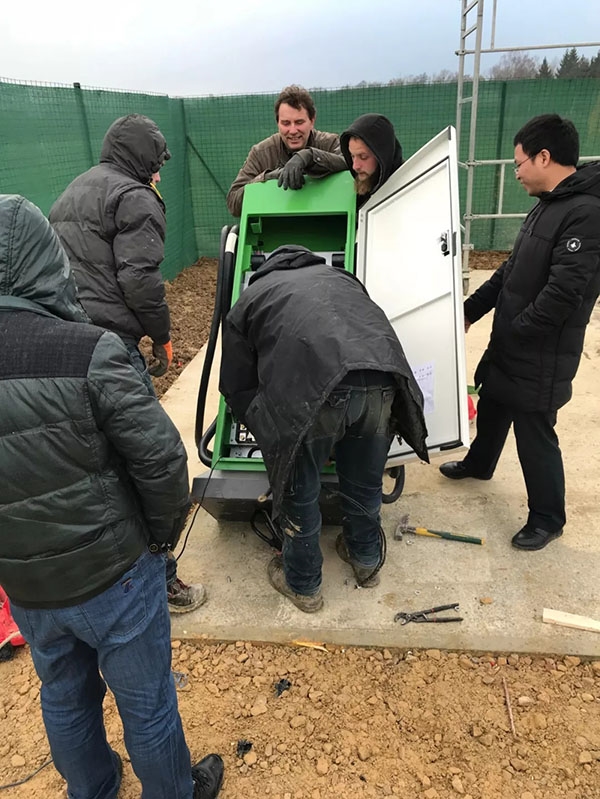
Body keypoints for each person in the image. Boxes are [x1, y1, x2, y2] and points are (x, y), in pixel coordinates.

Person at [0, 194, 224, 799]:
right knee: (147, 705)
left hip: (27, 586)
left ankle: (93, 789)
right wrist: (159, 540)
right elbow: (161, 460)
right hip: (113, 574)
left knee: (63, 696)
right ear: (45, 261)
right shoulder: (88, 348)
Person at [49, 113, 204, 612]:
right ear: (141, 158)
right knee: (147, 456)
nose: (158, 172)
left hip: (62, 339)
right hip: (107, 345)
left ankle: (92, 580)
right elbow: (139, 280)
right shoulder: (135, 196)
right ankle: (161, 577)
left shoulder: (74, 190)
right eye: (156, 162)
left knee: (89, 459)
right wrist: (161, 336)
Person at [219, 245, 428, 612]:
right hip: (382, 381)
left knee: (299, 492)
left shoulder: (251, 297)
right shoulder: (343, 279)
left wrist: (266, 428)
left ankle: (303, 585)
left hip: (314, 393)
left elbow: (237, 386)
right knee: (365, 483)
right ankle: (366, 561)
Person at [439, 114, 600, 551]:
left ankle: (547, 518)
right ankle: (480, 463)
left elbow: (564, 294)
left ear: (543, 157)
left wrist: (519, 329)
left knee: (535, 433)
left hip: (543, 352)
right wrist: (470, 310)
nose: (516, 172)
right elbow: (509, 271)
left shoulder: (585, 213)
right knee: (494, 401)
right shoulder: (549, 204)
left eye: (519, 163)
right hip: (514, 341)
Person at [226, 85, 347, 216]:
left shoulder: (330, 143)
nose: (293, 130)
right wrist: (268, 177)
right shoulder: (261, 152)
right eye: (286, 123)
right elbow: (234, 203)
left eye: (299, 122)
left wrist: (310, 156)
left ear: (312, 121)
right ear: (277, 123)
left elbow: (350, 164)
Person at [340, 113, 404, 206]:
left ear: (382, 155)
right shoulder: (364, 186)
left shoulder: (408, 189)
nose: (355, 166)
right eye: (352, 156)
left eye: (363, 157)